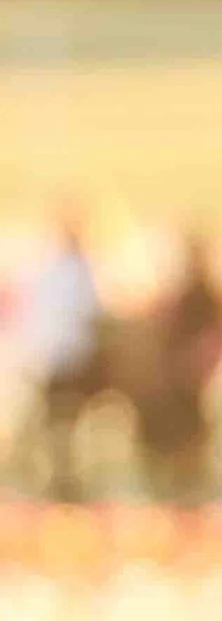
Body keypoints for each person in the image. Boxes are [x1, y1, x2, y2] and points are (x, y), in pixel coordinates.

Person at [13, 206, 107, 499]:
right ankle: (60, 478)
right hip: (67, 361)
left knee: (60, 425)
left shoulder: (55, 270)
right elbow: (89, 316)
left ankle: (58, 476)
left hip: (57, 360)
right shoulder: (72, 271)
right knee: (62, 425)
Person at [134, 231, 222, 502]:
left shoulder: (203, 295)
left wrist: (195, 364)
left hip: (188, 379)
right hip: (174, 380)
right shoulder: (187, 294)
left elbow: (212, 340)